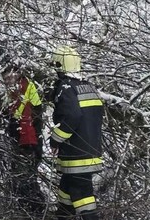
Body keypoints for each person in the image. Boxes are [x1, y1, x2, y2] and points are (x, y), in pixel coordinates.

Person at [45, 46, 103, 220]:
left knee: (81, 194)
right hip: (90, 151)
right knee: (66, 190)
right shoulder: (87, 87)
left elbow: (72, 117)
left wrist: (55, 139)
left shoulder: (66, 88)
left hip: (76, 154)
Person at [3, 65, 45, 216]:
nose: (6, 81)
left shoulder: (22, 90)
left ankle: (35, 212)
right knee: (26, 180)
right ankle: (32, 211)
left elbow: (17, 115)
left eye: (8, 77)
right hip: (28, 141)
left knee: (25, 181)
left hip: (27, 142)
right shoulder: (23, 87)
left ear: (17, 74)